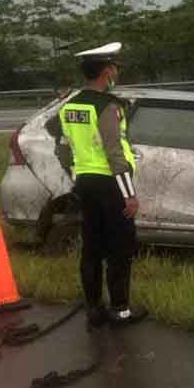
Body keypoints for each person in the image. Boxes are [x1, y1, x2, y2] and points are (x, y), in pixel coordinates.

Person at [58, 42, 147, 330]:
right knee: (120, 249)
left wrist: (77, 175)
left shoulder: (69, 106)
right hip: (111, 185)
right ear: (107, 71)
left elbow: (62, 149)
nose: (116, 71)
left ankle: (94, 311)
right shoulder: (108, 106)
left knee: (92, 249)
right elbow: (115, 154)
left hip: (85, 183)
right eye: (115, 67)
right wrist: (129, 195)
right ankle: (120, 311)